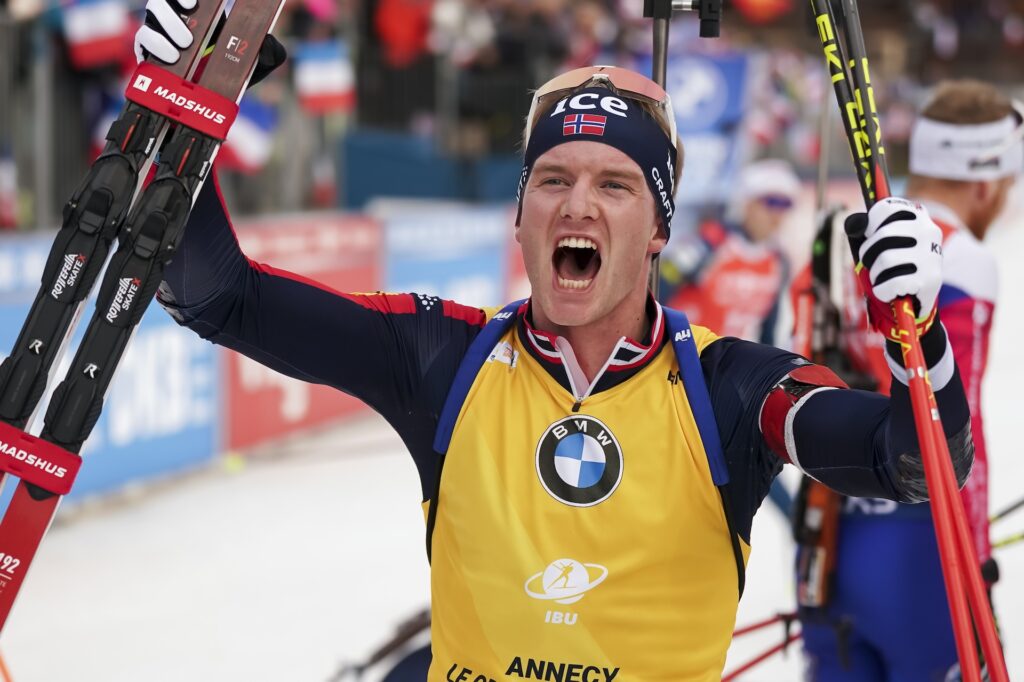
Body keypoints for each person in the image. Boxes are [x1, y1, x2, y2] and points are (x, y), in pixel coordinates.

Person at [138, 8, 975, 678]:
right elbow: (214, 291)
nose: (578, 205)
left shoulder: (730, 386)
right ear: (520, 214)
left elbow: (909, 462)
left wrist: (920, 337)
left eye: (614, 184)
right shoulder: (441, 356)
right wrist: (179, 109)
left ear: (658, 230)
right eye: (552, 180)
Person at [795, 80, 1019, 681]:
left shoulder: (855, 239)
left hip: (836, 536)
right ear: (984, 182)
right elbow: (952, 418)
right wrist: (977, 560)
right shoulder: (962, 256)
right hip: (926, 552)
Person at [659, 158, 800, 346]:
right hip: (682, 356)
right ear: (747, 203)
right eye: (770, 202)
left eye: (785, 204)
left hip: (726, 365)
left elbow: (768, 330)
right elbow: (659, 287)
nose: (776, 214)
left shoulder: (779, 262)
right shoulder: (709, 243)